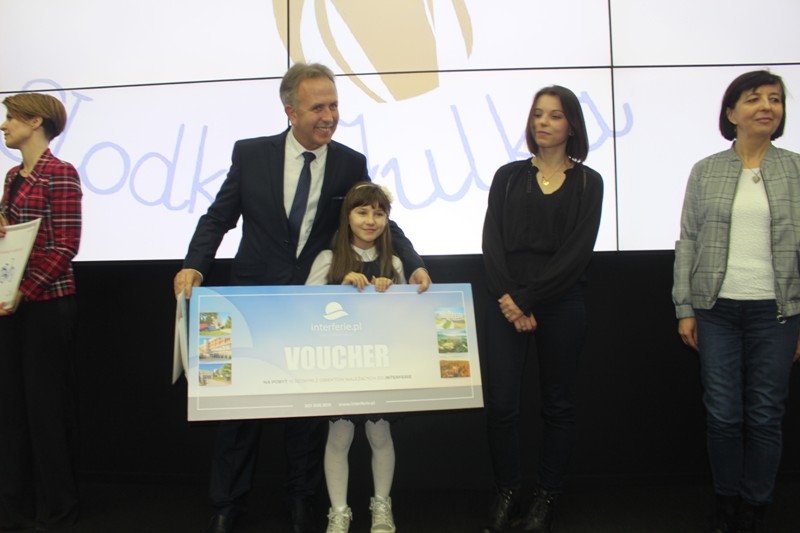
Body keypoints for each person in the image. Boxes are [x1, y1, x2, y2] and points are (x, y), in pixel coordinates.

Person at [173, 63, 431, 533]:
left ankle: (300, 501)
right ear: (290, 111)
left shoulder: (350, 163)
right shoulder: (251, 154)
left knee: (307, 414)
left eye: (334, 105)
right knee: (239, 410)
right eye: (318, 108)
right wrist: (195, 264)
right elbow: (218, 217)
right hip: (252, 297)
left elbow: (383, 221)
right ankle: (227, 506)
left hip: (311, 301)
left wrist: (412, 262)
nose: (329, 116)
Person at [673, 70, 800, 533]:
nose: (766, 106)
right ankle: (726, 502)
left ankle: (756, 506)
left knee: (766, 415)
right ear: (731, 112)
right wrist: (685, 308)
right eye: (753, 99)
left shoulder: (796, 169)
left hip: (777, 312)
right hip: (716, 310)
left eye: (775, 99)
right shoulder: (706, 170)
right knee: (723, 415)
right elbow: (688, 240)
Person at [480, 85, 603, 533]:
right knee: (501, 406)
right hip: (506, 300)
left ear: (572, 124)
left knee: (558, 405)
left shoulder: (588, 182)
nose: (543, 123)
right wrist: (511, 299)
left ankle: (546, 497)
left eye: (554, 115)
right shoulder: (508, 176)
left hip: (561, 302)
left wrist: (528, 300)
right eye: (537, 114)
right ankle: (507, 491)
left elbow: (576, 253)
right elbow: (492, 241)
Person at [0, 93, 82, 530]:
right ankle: (16, 505)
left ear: (36, 122)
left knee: (44, 408)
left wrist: (23, 292)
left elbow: (65, 245)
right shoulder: (13, 176)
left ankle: (57, 506)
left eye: (11, 118)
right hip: (11, 304)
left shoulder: (61, 173)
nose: (4, 125)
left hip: (47, 305)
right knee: (12, 408)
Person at [305, 182, 404, 533]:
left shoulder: (394, 263)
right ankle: (338, 512)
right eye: (362, 212)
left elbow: (407, 318)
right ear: (347, 216)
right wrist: (338, 288)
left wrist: (392, 291)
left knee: (380, 435)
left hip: (380, 367)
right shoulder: (328, 260)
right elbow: (302, 308)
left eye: (379, 213)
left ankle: (382, 506)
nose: (370, 220)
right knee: (339, 437)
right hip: (340, 367)